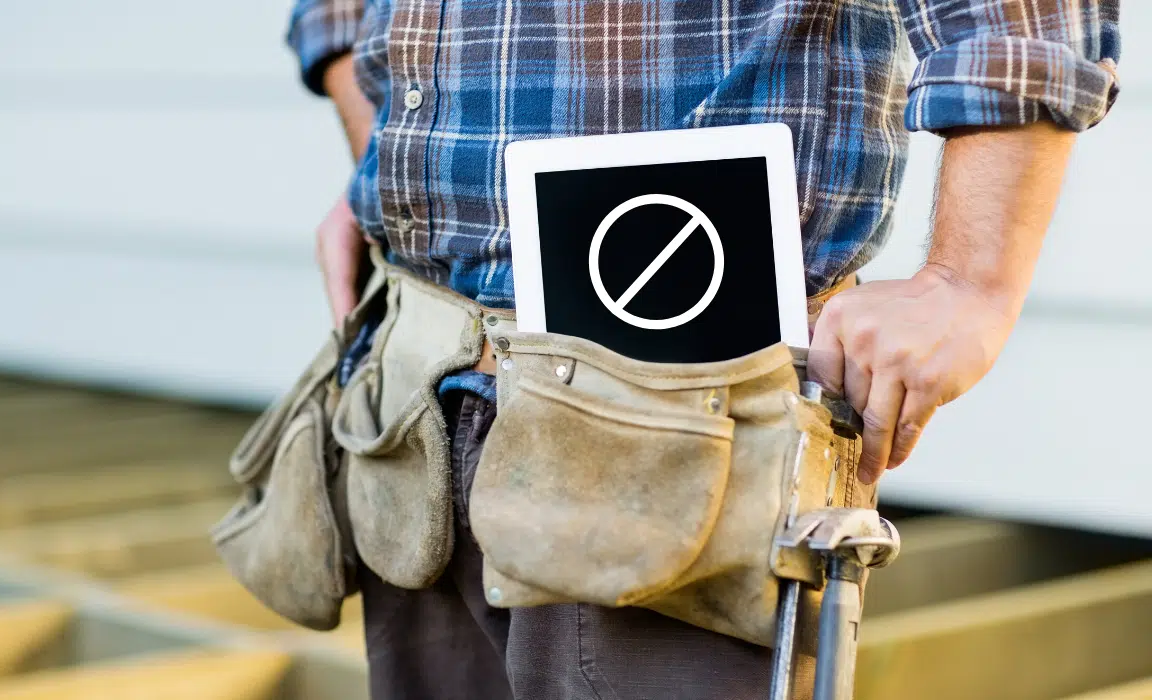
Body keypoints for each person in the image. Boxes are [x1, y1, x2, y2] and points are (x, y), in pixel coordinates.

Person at [289, 0, 1120, 697]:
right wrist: (383, 166)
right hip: (416, 408)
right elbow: (331, 16)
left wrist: (972, 278)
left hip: (688, 412)